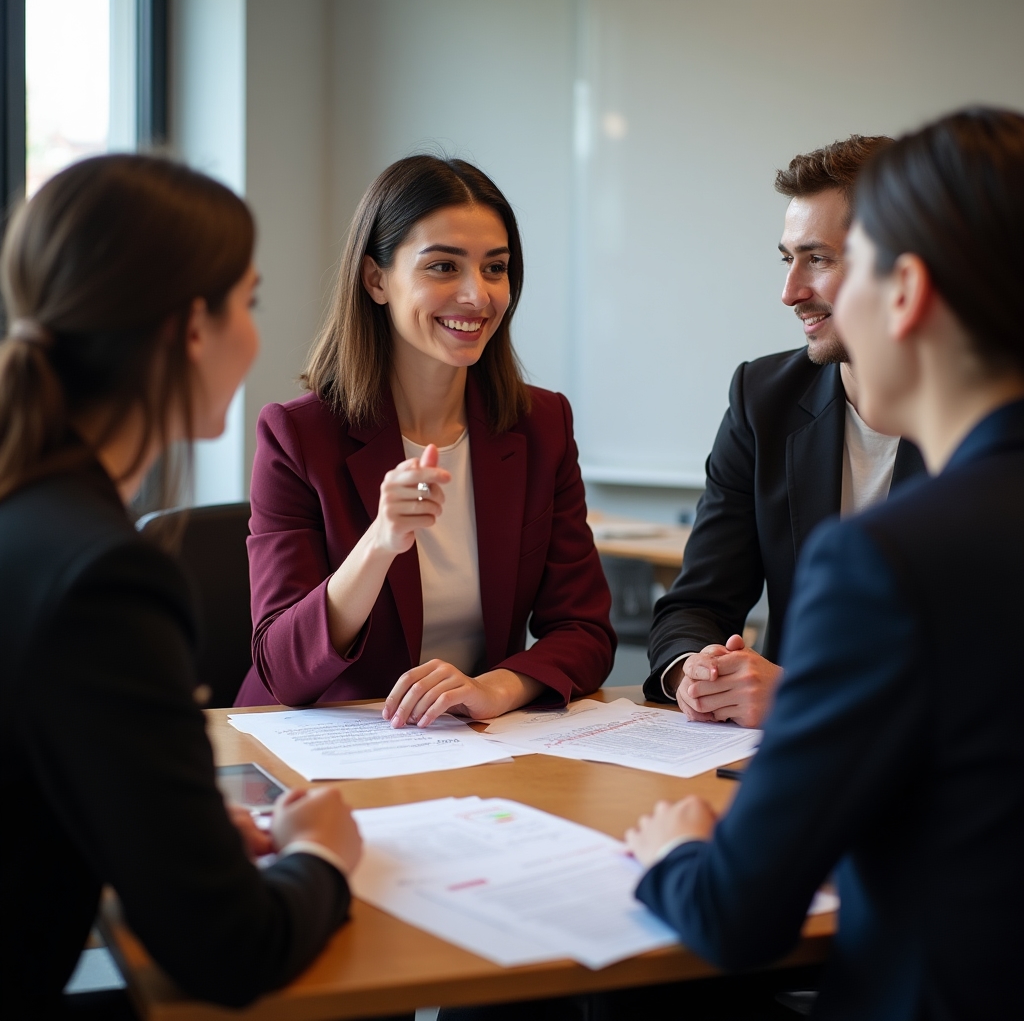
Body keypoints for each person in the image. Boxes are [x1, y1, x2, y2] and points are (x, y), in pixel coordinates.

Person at [627, 106, 1024, 1019]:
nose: (796, 294)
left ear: (905, 290)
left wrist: (677, 849)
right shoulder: (765, 397)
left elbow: (734, 917)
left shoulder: (893, 561)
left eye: (840, 265)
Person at [0, 156, 370, 1018]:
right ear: (188, 329)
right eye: (250, 301)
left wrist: (179, 832)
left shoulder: (30, 516)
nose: (255, 335)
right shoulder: (106, 579)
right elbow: (231, 950)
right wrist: (319, 855)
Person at [236, 156, 615, 725]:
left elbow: (584, 630)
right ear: (376, 279)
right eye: (443, 266)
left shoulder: (542, 425)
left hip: (470, 742)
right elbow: (282, 669)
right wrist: (380, 542)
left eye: (495, 268)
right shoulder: (298, 436)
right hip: (328, 744)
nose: (476, 295)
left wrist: (497, 687)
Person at [645, 135, 926, 727]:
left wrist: (807, 694)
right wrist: (695, 670)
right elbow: (697, 603)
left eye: (818, 259)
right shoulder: (763, 399)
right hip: (788, 760)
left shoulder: (987, 417)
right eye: (787, 259)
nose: (790, 291)